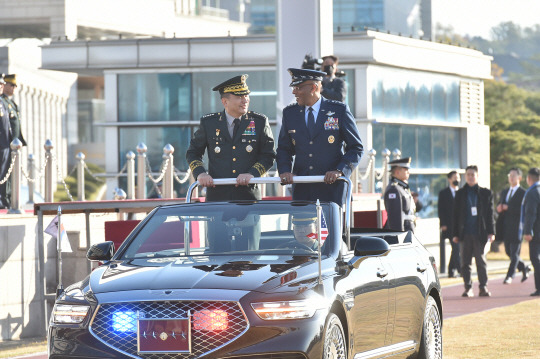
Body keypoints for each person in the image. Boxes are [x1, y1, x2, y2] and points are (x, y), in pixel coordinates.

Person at [277, 68, 363, 207]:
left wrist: (339, 170)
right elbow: (283, 149)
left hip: (332, 190)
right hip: (302, 190)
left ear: (313, 87)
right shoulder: (290, 113)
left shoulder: (339, 110)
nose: (294, 92)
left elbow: (356, 148)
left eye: (298, 87)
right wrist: (285, 170)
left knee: (332, 229)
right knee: (302, 228)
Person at [186, 74, 275, 201]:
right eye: (239, 97)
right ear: (224, 101)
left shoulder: (259, 122)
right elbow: (193, 153)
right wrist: (200, 173)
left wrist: (252, 174)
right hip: (217, 198)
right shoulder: (209, 123)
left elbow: (269, 155)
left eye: (246, 95)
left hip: (248, 198)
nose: (245, 100)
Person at [452, 165, 495, 297]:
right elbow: (455, 215)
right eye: (468, 174)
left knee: (480, 262)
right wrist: (455, 234)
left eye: (473, 174)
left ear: (477, 176)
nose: (470, 177)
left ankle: (483, 287)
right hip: (465, 234)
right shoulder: (460, 194)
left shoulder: (485, 193)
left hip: (479, 233)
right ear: (465, 176)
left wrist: (491, 232)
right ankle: (468, 287)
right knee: (465, 262)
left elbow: (490, 214)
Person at [496, 167, 529, 284]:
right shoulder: (505, 192)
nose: (511, 178)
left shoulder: (523, 193)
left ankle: (510, 275)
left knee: (514, 253)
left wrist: (509, 208)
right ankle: (524, 267)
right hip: (506, 227)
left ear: (519, 178)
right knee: (508, 252)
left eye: (513, 175)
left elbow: (523, 210)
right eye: (509, 175)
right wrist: (499, 207)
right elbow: (500, 204)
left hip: (517, 227)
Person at [1, 74, 26, 209]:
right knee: (5, 173)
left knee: (11, 174)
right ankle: (5, 198)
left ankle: (10, 198)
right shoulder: (3, 102)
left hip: (13, 145)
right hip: (6, 144)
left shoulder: (10, 103)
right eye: (12, 85)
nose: (14, 88)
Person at [438, 170, 461, 278]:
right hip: (449, 226)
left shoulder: (461, 193)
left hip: (460, 227)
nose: (457, 179)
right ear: (449, 179)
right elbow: (441, 209)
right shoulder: (443, 193)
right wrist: (443, 224)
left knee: (456, 248)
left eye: (458, 177)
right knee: (456, 247)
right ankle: (460, 269)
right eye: (455, 177)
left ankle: (451, 271)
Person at [520, 167, 540, 296]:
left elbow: (530, 213)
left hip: (536, 232)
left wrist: (528, 231)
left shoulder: (532, 192)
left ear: (528, 178)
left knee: (535, 259)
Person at [383, 157, 416, 232]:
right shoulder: (393, 190)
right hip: (402, 233)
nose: (408, 172)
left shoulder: (401, 188)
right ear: (397, 172)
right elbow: (395, 218)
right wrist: (399, 236)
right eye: (406, 170)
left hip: (408, 230)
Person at [0, 77, 10, 208]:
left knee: (2, 172)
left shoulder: (2, 102)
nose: (1, 86)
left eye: (2, 84)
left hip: (5, 144)